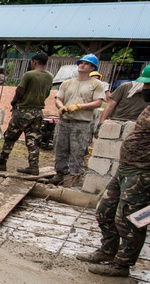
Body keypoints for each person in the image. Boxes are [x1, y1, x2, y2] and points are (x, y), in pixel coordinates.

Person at [78, 57, 150, 277]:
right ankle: (107, 250)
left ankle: (122, 265)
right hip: (126, 170)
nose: (145, 89)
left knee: (129, 222)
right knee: (104, 211)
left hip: (145, 175)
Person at [44, 53, 105, 186]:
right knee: (60, 148)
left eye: (86, 64)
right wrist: (61, 107)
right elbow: (58, 99)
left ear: (92, 67)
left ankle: (75, 177)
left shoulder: (95, 84)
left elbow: (98, 103)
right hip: (65, 121)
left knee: (77, 151)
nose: (82, 65)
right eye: (81, 63)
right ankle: (59, 174)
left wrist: (79, 106)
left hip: (81, 123)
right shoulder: (67, 83)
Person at [0, 52, 54, 175]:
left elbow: (20, 90)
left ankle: (2, 162)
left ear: (35, 62)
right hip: (37, 111)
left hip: (24, 110)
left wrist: (14, 102)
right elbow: (47, 93)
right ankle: (33, 166)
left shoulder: (29, 75)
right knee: (33, 140)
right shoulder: (50, 76)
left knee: (10, 137)